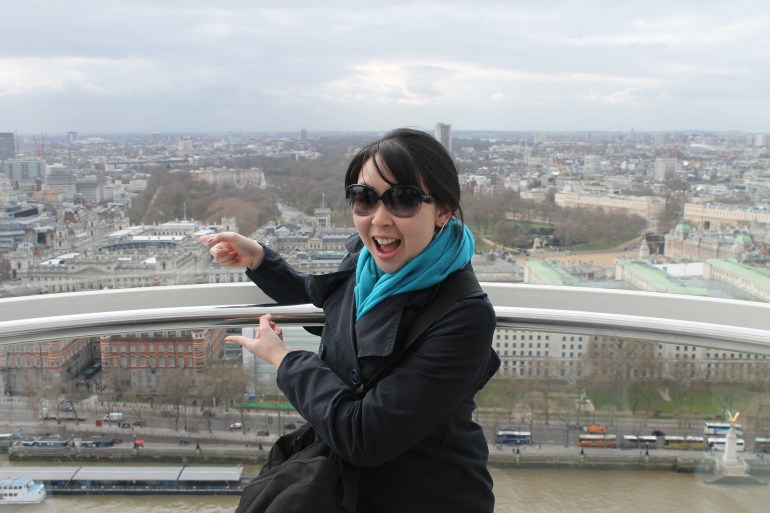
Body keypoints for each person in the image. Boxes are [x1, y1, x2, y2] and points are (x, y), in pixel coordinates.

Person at [201, 128, 500, 513]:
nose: (379, 219)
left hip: (424, 494)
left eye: (403, 200)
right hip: (343, 487)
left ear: (443, 210)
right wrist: (258, 259)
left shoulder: (464, 315)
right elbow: (332, 306)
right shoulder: (365, 260)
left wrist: (285, 360)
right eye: (364, 199)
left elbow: (364, 435)